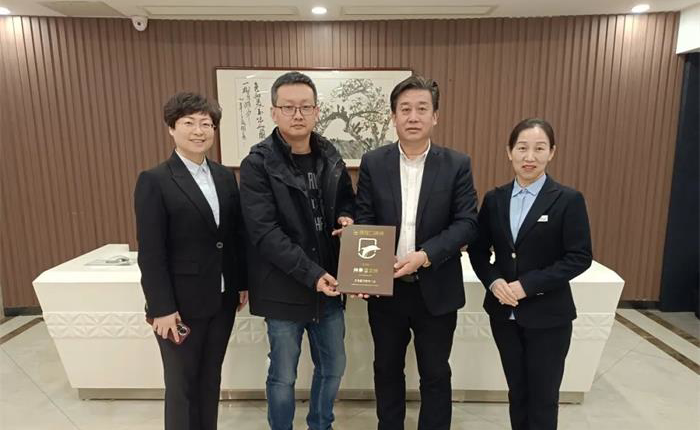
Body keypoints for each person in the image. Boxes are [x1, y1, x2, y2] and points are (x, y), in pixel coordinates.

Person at [355, 75, 479, 430]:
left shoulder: (456, 164)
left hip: (437, 286)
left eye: (422, 109)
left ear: (435, 116)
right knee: (386, 369)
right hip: (387, 288)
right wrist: (365, 269)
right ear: (393, 116)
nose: (413, 116)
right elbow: (365, 219)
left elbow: (467, 223)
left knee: (435, 372)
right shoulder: (374, 162)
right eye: (405, 109)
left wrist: (424, 255)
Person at [238, 71, 355, 430]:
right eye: (288, 107)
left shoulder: (330, 155)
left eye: (305, 106)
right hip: (282, 289)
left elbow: (346, 200)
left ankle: (321, 424)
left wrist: (348, 217)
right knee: (283, 375)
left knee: (333, 367)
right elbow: (265, 233)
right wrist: (312, 274)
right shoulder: (257, 164)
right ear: (274, 112)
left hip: (329, 287)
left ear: (317, 110)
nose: (298, 114)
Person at [468, 118, 593, 430]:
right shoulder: (495, 199)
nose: (530, 157)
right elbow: (478, 251)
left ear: (552, 152)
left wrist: (527, 285)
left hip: (549, 316)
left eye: (539, 148)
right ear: (509, 151)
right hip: (504, 316)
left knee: (543, 398)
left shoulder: (568, 199)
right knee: (518, 393)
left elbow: (579, 257)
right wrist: (494, 281)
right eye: (522, 148)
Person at [134, 92, 248, 430]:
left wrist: (241, 282)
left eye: (206, 124)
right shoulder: (155, 180)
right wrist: (161, 307)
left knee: (210, 379)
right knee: (181, 385)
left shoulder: (224, 176)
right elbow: (151, 252)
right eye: (189, 123)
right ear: (172, 128)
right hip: (179, 306)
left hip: (222, 299)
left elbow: (234, 237)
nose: (199, 131)